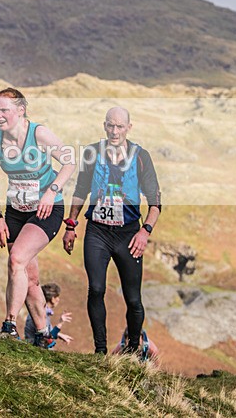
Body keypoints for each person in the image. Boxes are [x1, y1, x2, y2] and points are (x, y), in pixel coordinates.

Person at [62, 106, 161, 355]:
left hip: (128, 234)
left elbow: (155, 202)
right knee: (96, 289)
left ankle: (132, 349)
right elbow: (80, 191)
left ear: (129, 127)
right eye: (110, 125)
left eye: (119, 126)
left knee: (133, 299)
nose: (114, 131)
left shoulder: (141, 157)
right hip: (98, 232)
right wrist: (71, 225)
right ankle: (100, 351)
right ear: (104, 126)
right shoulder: (92, 153)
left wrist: (144, 232)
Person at [0, 88, 76, 348]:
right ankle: (44, 334)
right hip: (15, 212)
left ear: (20, 110)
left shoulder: (39, 134)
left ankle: (9, 325)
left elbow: (70, 161)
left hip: (47, 209)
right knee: (29, 277)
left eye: (4, 110)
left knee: (16, 260)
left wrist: (52, 191)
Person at [24, 282, 73, 347]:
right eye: (57, 297)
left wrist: (59, 335)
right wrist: (60, 323)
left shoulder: (40, 311)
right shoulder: (42, 314)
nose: (58, 299)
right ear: (52, 299)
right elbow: (47, 338)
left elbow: (47, 333)